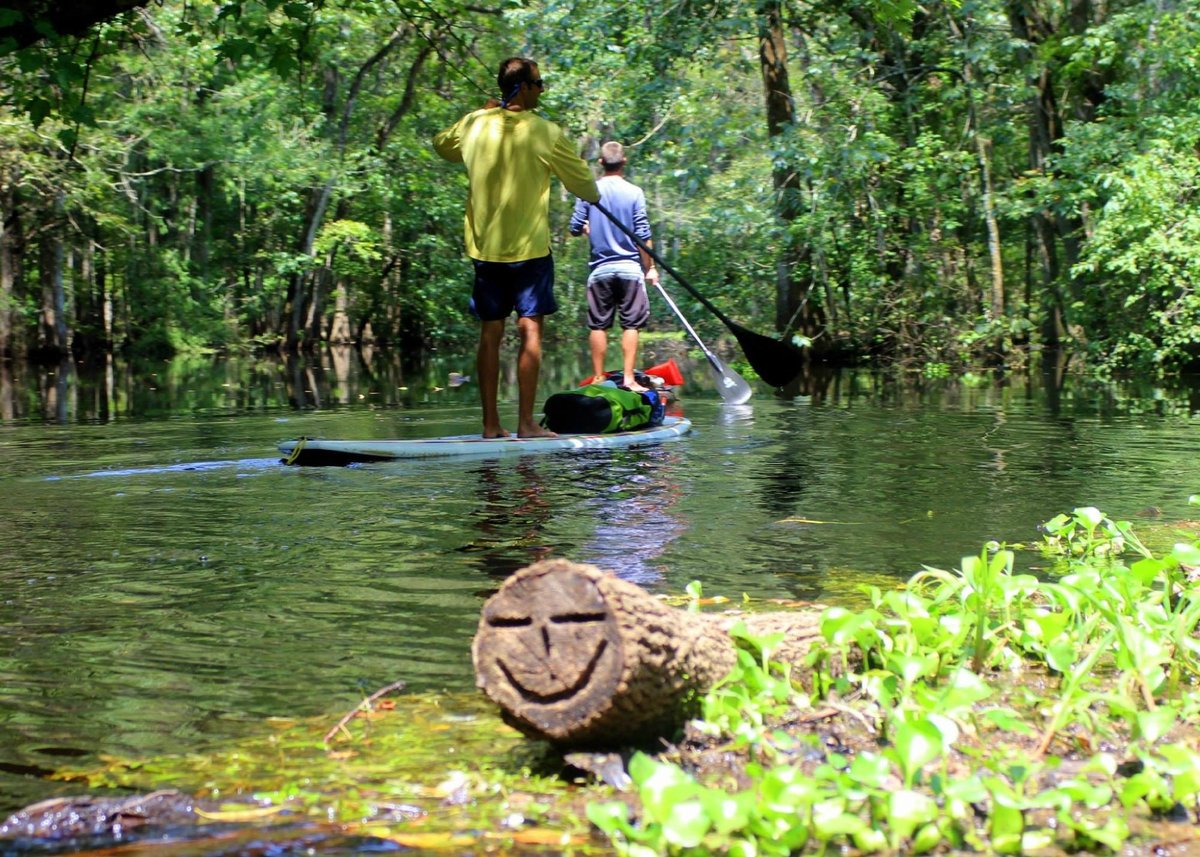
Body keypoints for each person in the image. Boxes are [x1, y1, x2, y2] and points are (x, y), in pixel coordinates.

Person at [433, 57, 600, 438]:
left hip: (485, 250)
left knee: (490, 335)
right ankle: (526, 425)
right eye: (539, 83)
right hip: (530, 252)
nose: (542, 89)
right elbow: (587, 189)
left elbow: (442, 145)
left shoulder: (474, 123)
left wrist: (479, 113)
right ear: (523, 87)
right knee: (531, 332)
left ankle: (491, 425)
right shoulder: (547, 132)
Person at [568, 141, 660, 392]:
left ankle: (598, 377)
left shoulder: (588, 191)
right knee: (631, 324)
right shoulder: (634, 192)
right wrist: (649, 267)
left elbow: (575, 227)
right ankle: (629, 379)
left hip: (600, 272)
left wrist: (589, 228)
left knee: (598, 324)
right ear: (624, 162)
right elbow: (643, 235)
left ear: (600, 163)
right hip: (630, 270)